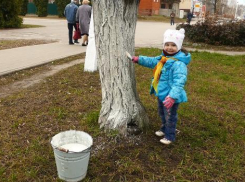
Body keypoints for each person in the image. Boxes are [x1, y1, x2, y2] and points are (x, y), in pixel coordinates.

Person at [131, 28, 191, 145]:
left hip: (170, 97)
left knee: (170, 116)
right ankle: (164, 129)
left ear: (178, 47)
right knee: (162, 113)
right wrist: (139, 59)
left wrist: (172, 97)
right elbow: (151, 61)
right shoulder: (163, 59)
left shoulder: (178, 63)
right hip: (162, 94)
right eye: (167, 44)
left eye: (173, 45)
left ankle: (170, 135)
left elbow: (180, 81)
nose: (169, 47)